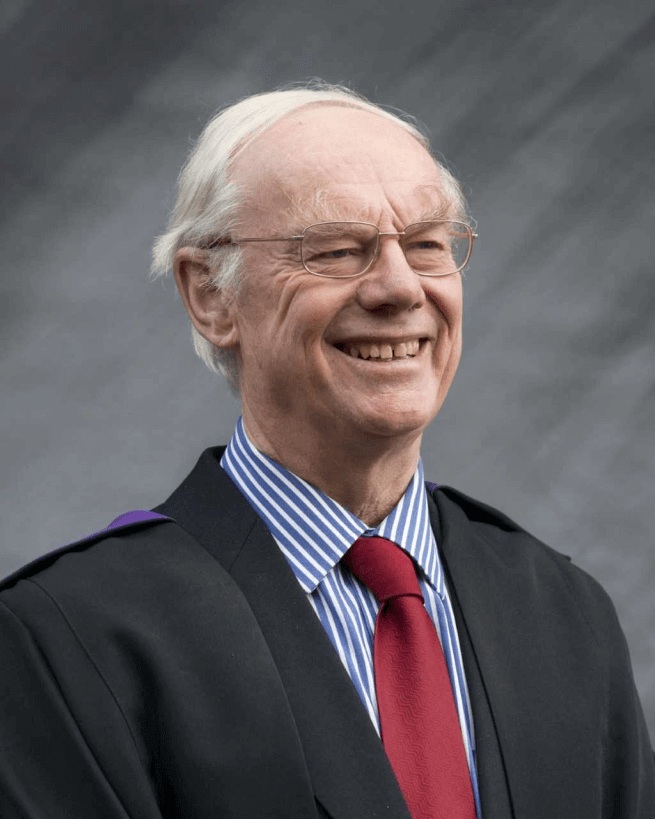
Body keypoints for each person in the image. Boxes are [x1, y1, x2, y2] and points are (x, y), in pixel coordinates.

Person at [0, 83, 653, 819]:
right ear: (210, 294)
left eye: (427, 245)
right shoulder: (68, 640)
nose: (399, 287)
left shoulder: (564, 615)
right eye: (336, 250)